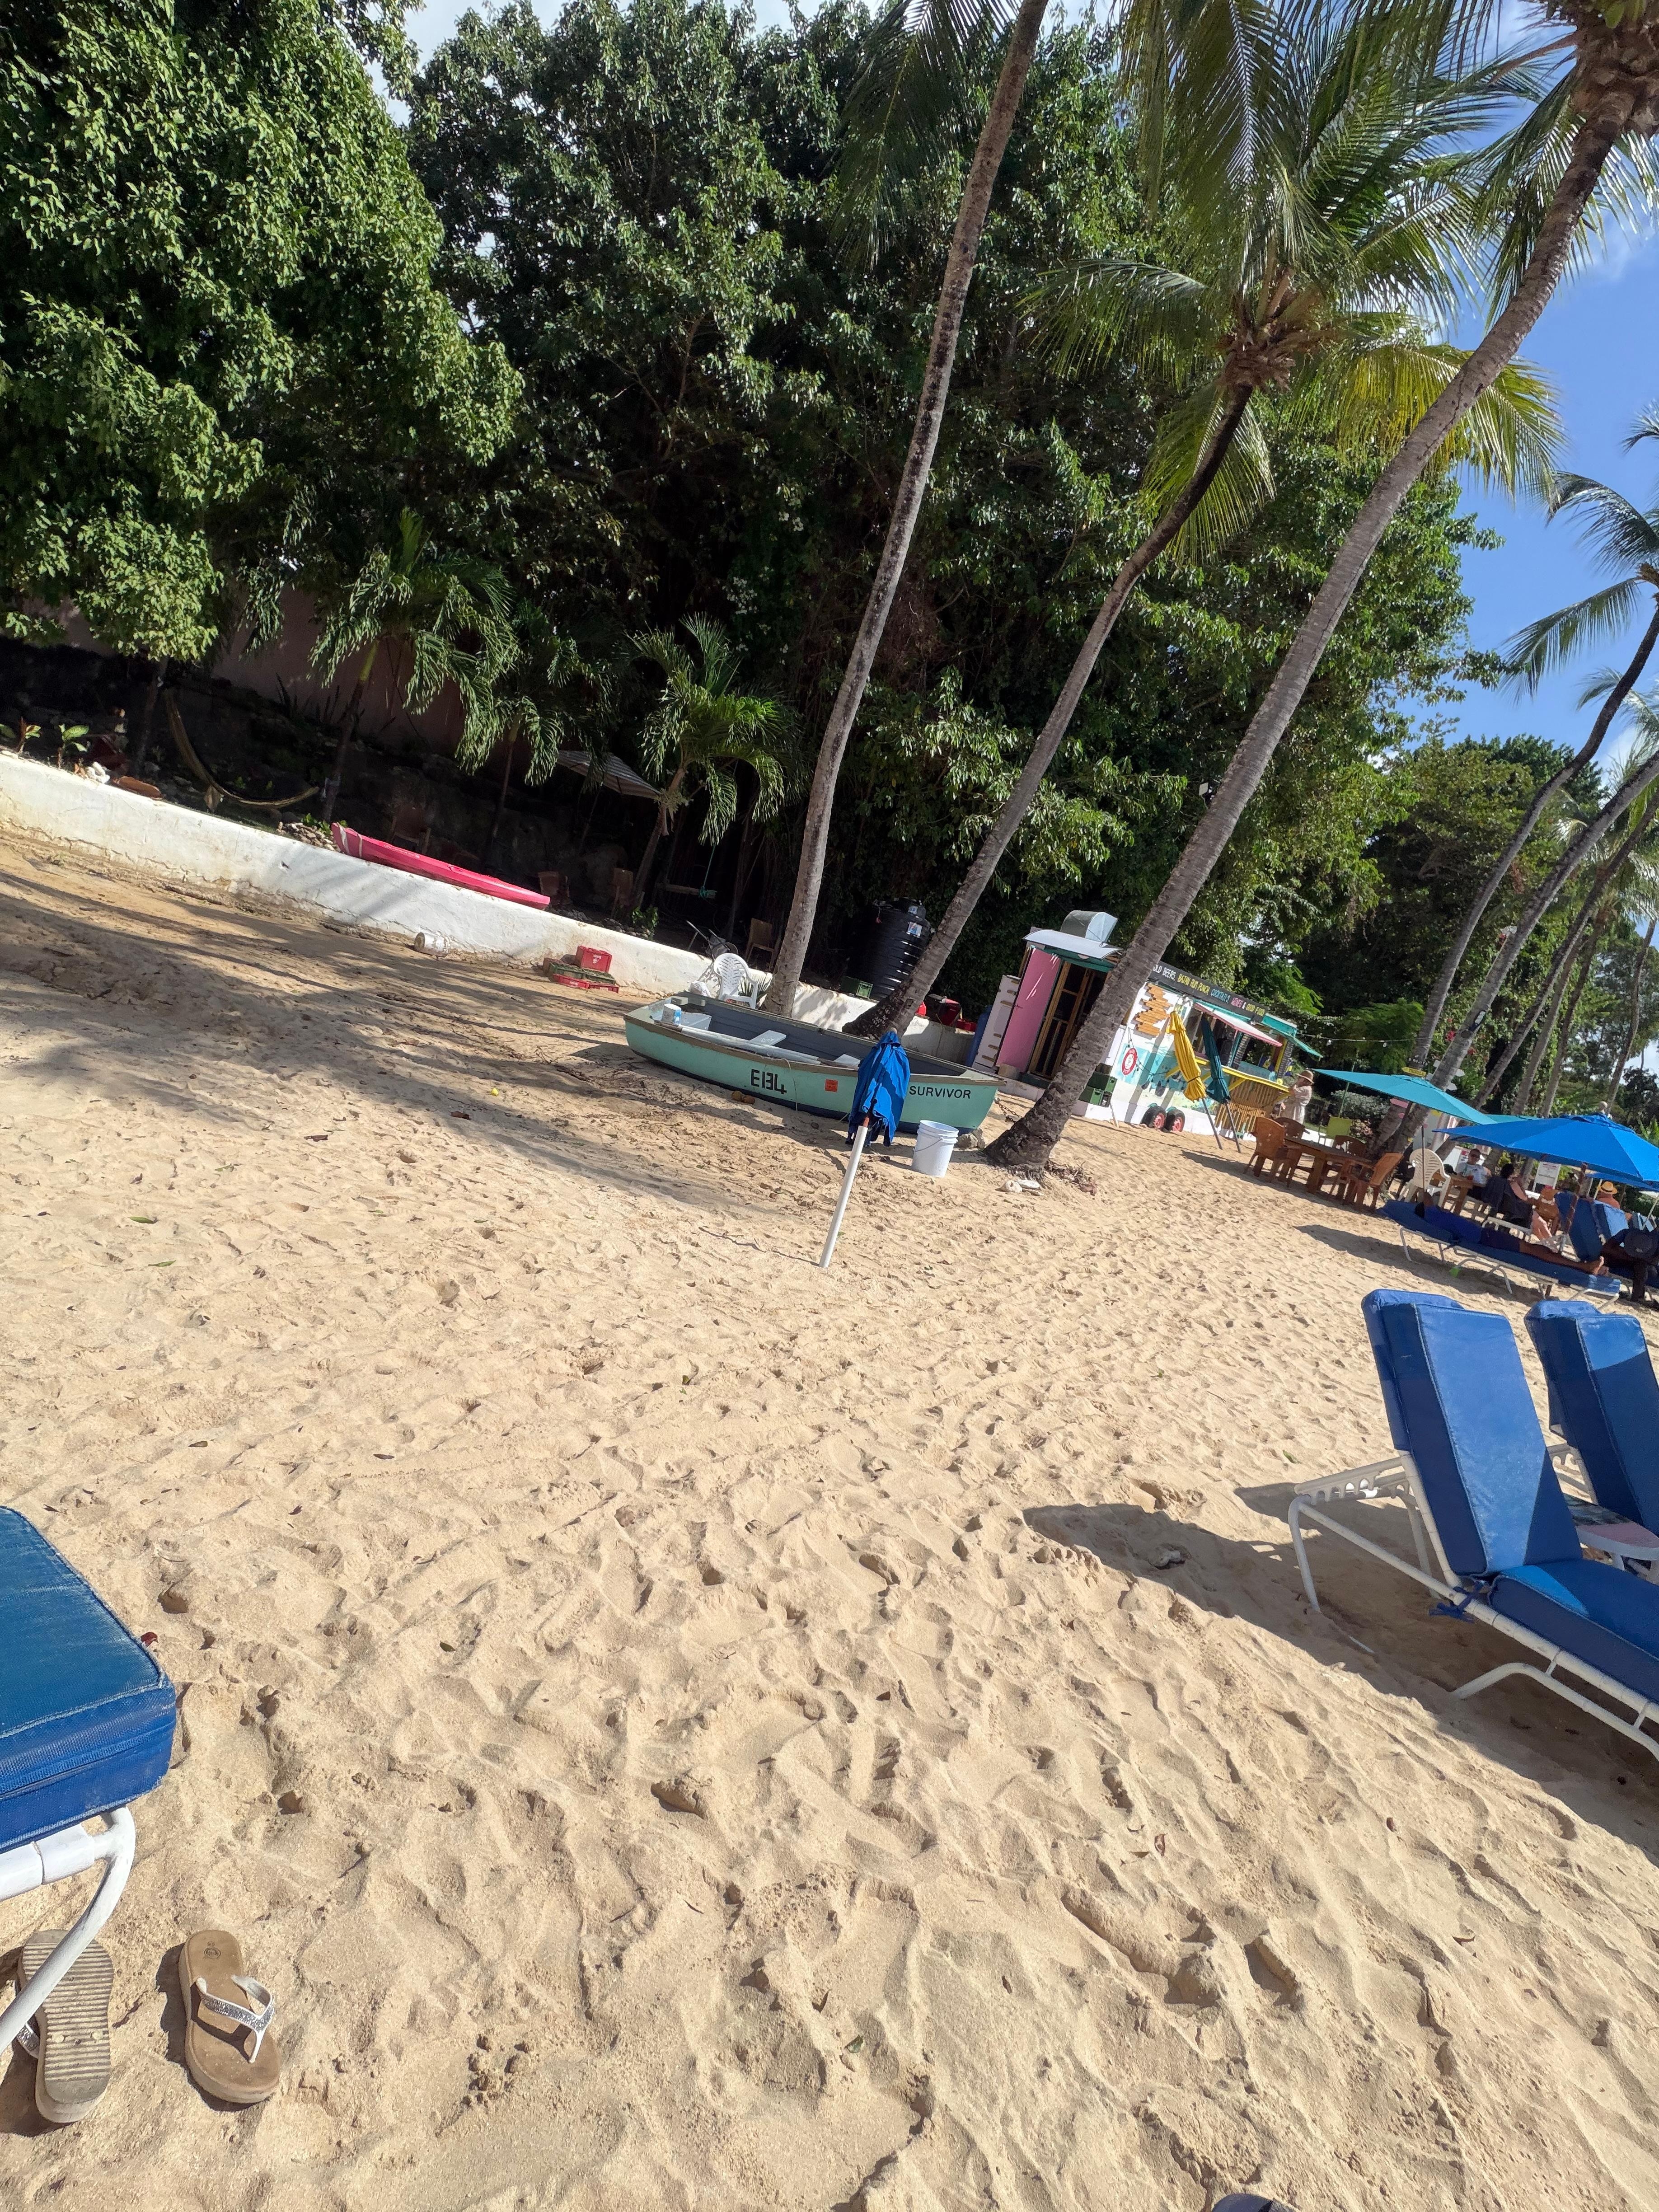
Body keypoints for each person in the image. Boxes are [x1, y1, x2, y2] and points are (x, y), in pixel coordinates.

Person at [1488, 1159, 1556, 1244]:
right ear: (1512, 1174)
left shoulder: (1499, 1181)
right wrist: (1521, 1186)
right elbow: (1525, 1199)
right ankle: (1553, 1246)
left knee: (1538, 1226)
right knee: (1542, 1224)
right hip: (1520, 1212)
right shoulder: (1513, 1184)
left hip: (1509, 1209)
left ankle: (1548, 1245)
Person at [1596, 1214, 1659, 1305]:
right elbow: (1606, 1249)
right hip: (1628, 1261)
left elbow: (1653, 1262)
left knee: (1642, 1265)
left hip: (1646, 1265)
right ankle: (1638, 1297)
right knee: (1641, 1266)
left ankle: (1638, 1296)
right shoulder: (1628, 1234)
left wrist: (1641, 1258)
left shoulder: (1652, 1242)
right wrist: (1628, 1256)